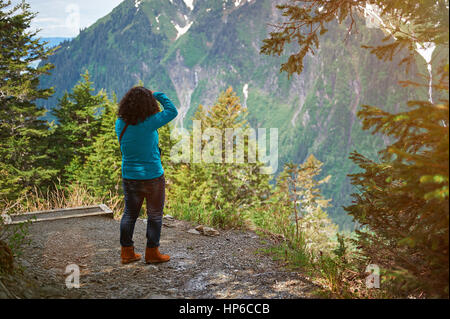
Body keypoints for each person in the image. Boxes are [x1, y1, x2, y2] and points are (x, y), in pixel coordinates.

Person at [115, 86, 178, 264]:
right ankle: (152, 253)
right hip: (153, 176)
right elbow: (172, 111)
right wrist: (156, 94)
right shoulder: (151, 122)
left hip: (130, 176)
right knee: (155, 215)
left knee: (129, 214)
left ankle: (126, 252)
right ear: (148, 104)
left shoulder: (120, 123)